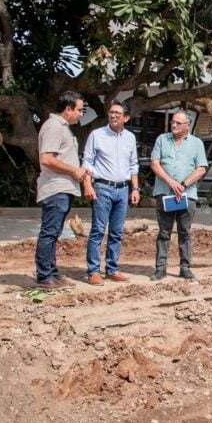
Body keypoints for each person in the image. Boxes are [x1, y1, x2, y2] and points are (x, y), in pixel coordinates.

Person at [35, 92, 90, 290]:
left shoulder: (61, 128)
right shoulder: (54, 127)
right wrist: (74, 170)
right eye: (79, 110)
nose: (80, 114)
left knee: (54, 233)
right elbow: (47, 159)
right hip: (55, 188)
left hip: (62, 188)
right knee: (49, 233)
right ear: (67, 109)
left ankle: (51, 273)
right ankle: (45, 276)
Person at [82, 100, 140, 285]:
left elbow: (133, 164)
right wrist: (88, 185)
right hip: (102, 187)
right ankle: (93, 271)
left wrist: (135, 188)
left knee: (116, 232)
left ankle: (112, 269)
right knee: (98, 230)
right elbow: (88, 162)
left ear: (126, 117)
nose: (113, 115)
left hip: (122, 189)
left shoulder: (130, 138)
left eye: (117, 113)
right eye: (111, 112)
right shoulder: (97, 135)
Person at [149, 111, 207, 281]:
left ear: (187, 126)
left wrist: (182, 185)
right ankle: (160, 268)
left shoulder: (197, 143)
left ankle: (185, 267)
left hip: (186, 195)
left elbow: (201, 168)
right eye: (173, 122)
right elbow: (155, 163)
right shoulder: (162, 139)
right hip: (165, 193)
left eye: (178, 123)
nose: (174, 125)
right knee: (164, 233)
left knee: (185, 232)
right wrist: (170, 183)